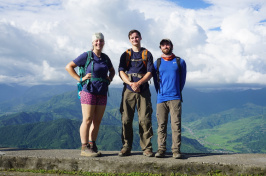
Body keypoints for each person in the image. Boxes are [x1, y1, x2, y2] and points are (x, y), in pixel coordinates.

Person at [65, 32, 115, 157]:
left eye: (101, 41)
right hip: (88, 90)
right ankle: (84, 146)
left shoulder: (105, 58)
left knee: (97, 121)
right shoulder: (86, 56)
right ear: (93, 43)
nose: (99, 43)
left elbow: (112, 70)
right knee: (87, 119)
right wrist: (80, 79)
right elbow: (69, 67)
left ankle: (92, 145)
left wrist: (110, 78)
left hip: (102, 92)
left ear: (104, 42)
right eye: (96, 41)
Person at [118, 29, 154, 157]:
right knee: (126, 119)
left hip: (143, 90)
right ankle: (126, 146)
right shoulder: (126, 55)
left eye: (136, 37)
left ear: (140, 38)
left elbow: (150, 72)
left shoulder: (147, 54)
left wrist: (138, 83)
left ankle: (147, 148)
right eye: (132, 38)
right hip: (128, 90)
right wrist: (131, 83)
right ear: (129, 40)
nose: (135, 39)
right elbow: (121, 71)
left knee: (145, 119)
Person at [153, 38, 186, 159]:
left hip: (175, 97)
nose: (165, 46)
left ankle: (176, 150)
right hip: (161, 98)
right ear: (160, 47)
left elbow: (182, 80)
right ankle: (161, 149)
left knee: (176, 125)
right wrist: (160, 92)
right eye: (163, 45)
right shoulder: (157, 63)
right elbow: (156, 81)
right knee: (161, 125)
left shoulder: (180, 62)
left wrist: (176, 91)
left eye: (167, 44)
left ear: (171, 46)